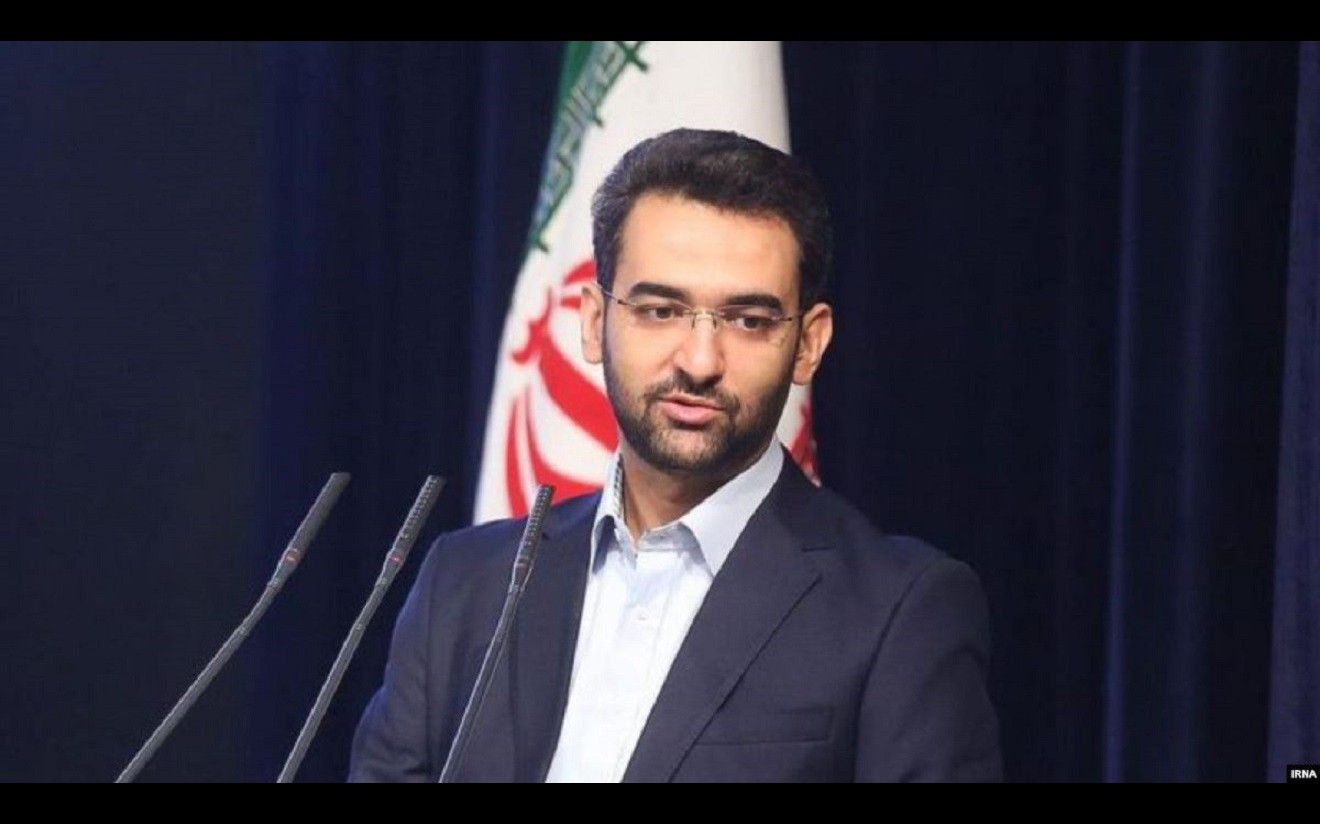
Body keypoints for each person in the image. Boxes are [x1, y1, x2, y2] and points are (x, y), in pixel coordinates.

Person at [349, 128, 1002, 782]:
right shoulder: (466, 585)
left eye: (748, 320)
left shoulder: (898, 611)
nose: (699, 361)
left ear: (808, 344)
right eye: (661, 310)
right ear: (594, 321)